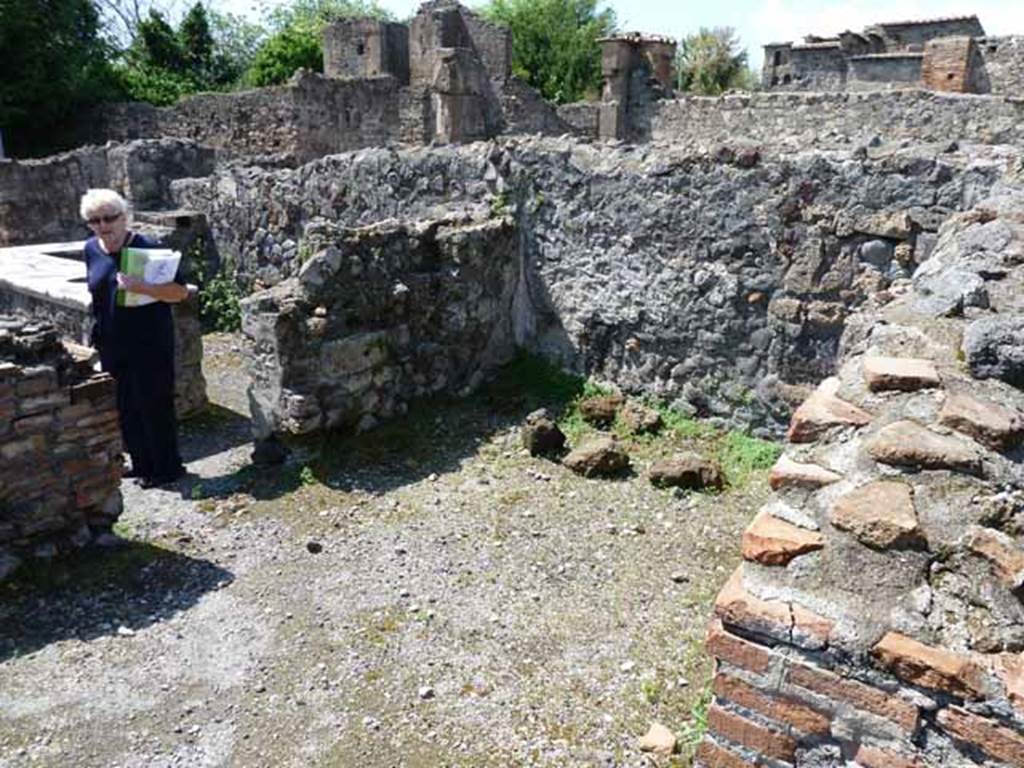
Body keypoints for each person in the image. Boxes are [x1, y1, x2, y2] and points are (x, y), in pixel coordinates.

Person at [81, 188, 188, 488]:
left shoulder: (148, 249)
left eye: (109, 218)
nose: (103, 226)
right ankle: (141, 464)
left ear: (124, 217)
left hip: (150, 342)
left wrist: (143, 287)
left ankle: (167, 468)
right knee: (125, 405)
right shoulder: (91, 249)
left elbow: (180, 293)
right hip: (112, 343)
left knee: (154, 404)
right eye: (94, 220)